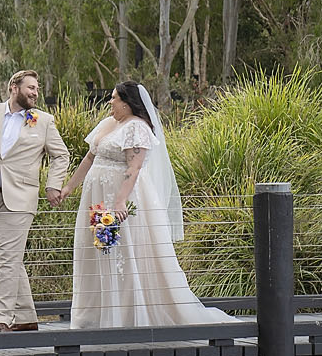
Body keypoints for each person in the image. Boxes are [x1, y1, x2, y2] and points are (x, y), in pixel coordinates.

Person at [60, 80, 234, 329]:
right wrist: (69, 187)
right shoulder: (108, 124)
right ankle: (96, 316)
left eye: (114, 98)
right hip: (96, 199)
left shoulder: (137, 128)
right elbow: (90, 157)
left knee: (121, 251)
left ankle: (127, 316)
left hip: (120, 198)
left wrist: (120, 200)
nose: (110, 102)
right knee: (100, 249)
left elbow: (134, 166)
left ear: (128, 103)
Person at [0, 70, 70, 333]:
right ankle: (27, 318)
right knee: (6, 260)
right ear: (13, 87)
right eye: (30, 87)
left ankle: (1, 319)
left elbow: (60, 155)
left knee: (7, 261)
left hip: (19, 200)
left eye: (37, 89)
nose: (35, 92)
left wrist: (53, 184)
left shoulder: (43, 120)